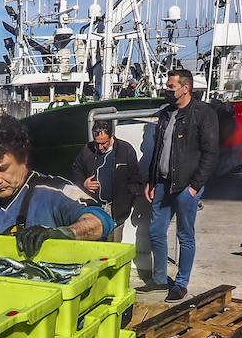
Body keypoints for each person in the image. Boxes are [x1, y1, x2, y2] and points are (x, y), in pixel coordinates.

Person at [0, 111, 111, 256]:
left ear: (23, 158)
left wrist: (60, 234)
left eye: (2, 169)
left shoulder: (54, 191)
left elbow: (101, 221)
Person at [145, 68, 219, 302]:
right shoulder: (166, 114)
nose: (166, 90)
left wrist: (195, 187)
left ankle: (181, 283)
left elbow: (211, 152)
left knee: (184, 235)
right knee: (156, 231)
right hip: (163, 184)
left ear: (185, 88)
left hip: (187, 186)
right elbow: (157, 151)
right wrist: (152, 180)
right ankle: (158, 280)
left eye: (170, 87)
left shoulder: (203, 113)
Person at [70, 120, 141, 243]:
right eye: (97, 143)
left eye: (104, 143)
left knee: (112, 251)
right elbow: (76, 170)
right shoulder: (87, 149)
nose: (100, 147)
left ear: (112, 135)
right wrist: (83, 183)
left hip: (115, 211)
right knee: (92, 249)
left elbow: (135, 179)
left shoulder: (125, 150)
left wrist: (127, 201)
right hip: (93, 209)